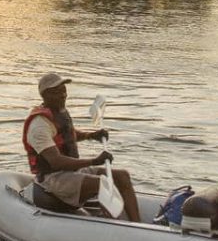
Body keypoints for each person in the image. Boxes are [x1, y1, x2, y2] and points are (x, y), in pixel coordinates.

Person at [22, 73, 141, 222]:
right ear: (45, 95)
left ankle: (137, 224)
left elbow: (68, 136)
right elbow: (56, 161)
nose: (63, 95)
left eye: (64, 90)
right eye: (57, 92)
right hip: (53, 178)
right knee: (102, 184)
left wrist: (91, 135)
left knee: (122, 176)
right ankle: (115, 229)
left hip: (71, 171)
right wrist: (94, 161)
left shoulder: (58, 111)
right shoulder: (39, 125)